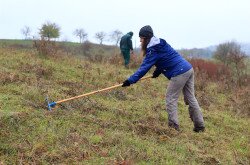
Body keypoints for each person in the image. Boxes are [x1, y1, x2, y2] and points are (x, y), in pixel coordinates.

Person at [122, 25, 205, 132]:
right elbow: (167, 57)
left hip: (179, 72)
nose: (140, 41)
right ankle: (200, 126)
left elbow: (144, 68)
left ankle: (173, 128)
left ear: (147, 38)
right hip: (188, 68)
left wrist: (130, 80)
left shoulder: (152, 50)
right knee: (190, 98)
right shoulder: (161, 42)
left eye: (141, 38)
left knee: (170, 98)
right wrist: (158, 70)